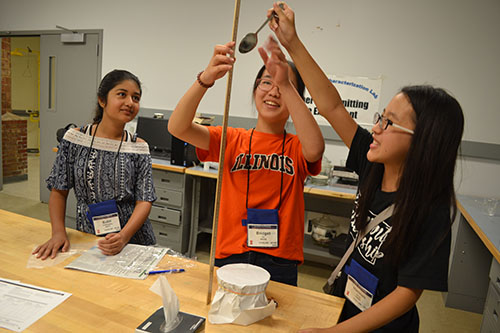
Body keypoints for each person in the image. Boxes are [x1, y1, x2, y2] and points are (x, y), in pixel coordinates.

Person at [268, 2, 465, 331]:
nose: (376, 127)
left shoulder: (431, 208)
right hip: (347, 306)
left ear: (424, 142)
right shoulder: (372, 164)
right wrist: (293, 43)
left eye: (389, 123)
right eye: (380, 117)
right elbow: (330, 104)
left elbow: (406, 294)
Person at [168, 38, 324, 286]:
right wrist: (205, 78)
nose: (274, 91)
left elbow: (315, 149)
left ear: (296, 100)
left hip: (280, 259)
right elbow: (177, 127)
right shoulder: (231, 138)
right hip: (232, 253)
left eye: (283, 86)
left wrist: (286, 83)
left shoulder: (297, 145)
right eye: (266, 82)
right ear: (254, 90)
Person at [34, 69, 157, 259]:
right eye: (122, 94)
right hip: (88, 237)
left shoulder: (139, 147)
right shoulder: (75, 139)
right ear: (102, 100)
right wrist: (58, 233)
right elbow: (59, 190)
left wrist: (123, 237)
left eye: (136, 98)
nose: (130, 103)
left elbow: (144, 200)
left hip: (133, 240)